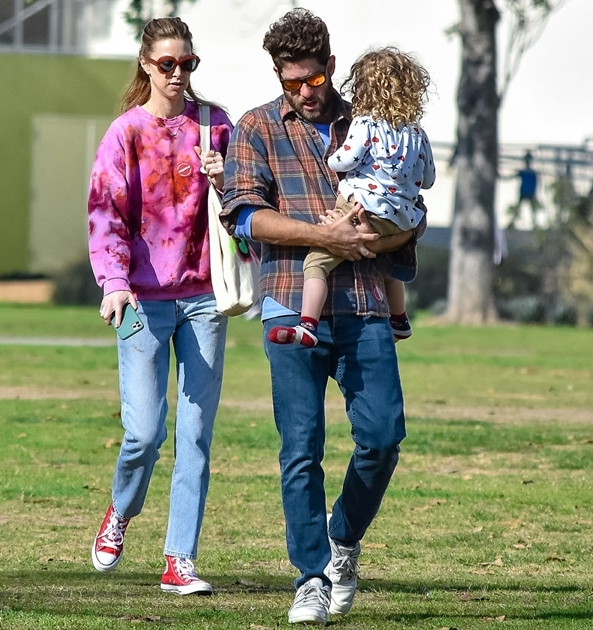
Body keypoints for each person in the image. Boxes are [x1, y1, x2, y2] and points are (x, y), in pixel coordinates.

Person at [221, 8, 424, 625]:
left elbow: (412, 207)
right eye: (291, 83)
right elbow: (244, 215)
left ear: (331, 68)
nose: (304, 93)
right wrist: (322, 236)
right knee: (301, 450)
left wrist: (382, 238)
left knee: (383, 436)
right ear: (278, 76)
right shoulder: (256, 126)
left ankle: (342, 539)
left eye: (312, 80)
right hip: (291, 303)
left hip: (364, 306)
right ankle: (310, 577)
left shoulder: (370, 118)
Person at [87, 17, 233, 595]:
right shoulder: (124, 132)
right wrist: (113, 281)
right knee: (145, 434)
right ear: (146, 64)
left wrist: (229, 184)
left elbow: (246, 214)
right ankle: (121, 512)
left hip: (203, 298)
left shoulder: (215, 125)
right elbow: (105, 212)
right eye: (167, 64)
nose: (178, 74)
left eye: (187, 63)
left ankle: (179, 561)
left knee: (195, 436)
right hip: (142, 301)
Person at [266, 46, 435, 348]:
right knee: (388, 261)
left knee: (316, 264)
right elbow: (430, 179)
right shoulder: (417, 132)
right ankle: (400, 318)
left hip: (362, 206)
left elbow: (345, 159)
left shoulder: (365, 123)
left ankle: (307, 324)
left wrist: (333, 159)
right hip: (401, 216)